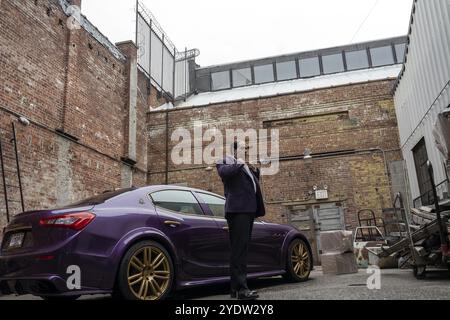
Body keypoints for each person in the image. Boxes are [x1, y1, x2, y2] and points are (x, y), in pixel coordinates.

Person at [216, 141, 266, 300]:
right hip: (238, 210)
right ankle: (242, 290)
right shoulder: (226, 161)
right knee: (239, 251)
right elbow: (224, 173)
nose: (247, 151)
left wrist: (254, 170)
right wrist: (240, 163)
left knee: (241, 250)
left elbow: (251, 185)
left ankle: (235, 290)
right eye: (244, 148)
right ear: (235, 151)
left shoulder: (245, 166)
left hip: (248, 210)